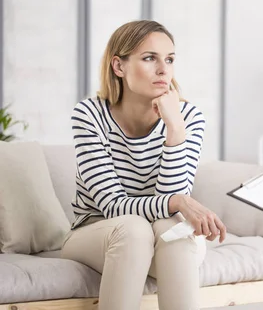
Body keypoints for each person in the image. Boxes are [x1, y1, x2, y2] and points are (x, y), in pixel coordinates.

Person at [61, 20, 227, 310]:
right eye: (150, 58)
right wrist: (176, 201)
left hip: (163, 233)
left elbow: (173, 205)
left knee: (173, 233)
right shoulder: (89, 114)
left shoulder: (188, 117)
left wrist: (175, 130)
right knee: (135, 229)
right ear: (119, 66)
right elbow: (112, 205)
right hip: (98, 230)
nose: (164, 70)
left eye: (170, 59)